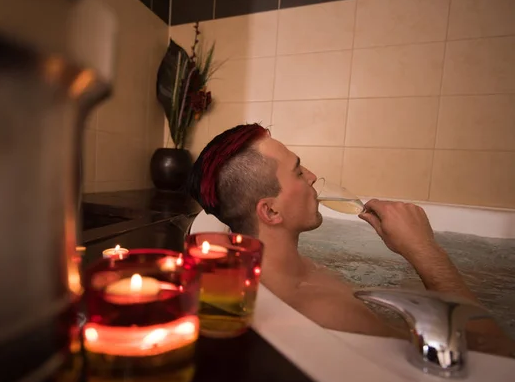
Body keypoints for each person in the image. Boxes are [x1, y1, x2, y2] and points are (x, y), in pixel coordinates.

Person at [187, 123, 513, 355]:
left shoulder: (285, 268)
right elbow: (496, 358)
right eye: (299, 172)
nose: (313, 176)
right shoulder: (328, 314)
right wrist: (422, 249)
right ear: (270, 212)